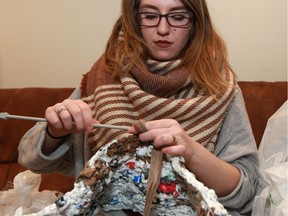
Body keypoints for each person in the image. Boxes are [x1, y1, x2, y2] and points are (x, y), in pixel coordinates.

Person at [18, 0, 262, 215]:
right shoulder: (104, 76)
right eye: (150, 15)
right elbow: (32, 160)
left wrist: (192, 152)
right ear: (134, 18)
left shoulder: (219, 86)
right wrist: (55, 131)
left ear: (196, 23)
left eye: (177, 17)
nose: (163, 29)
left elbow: (247, 192)